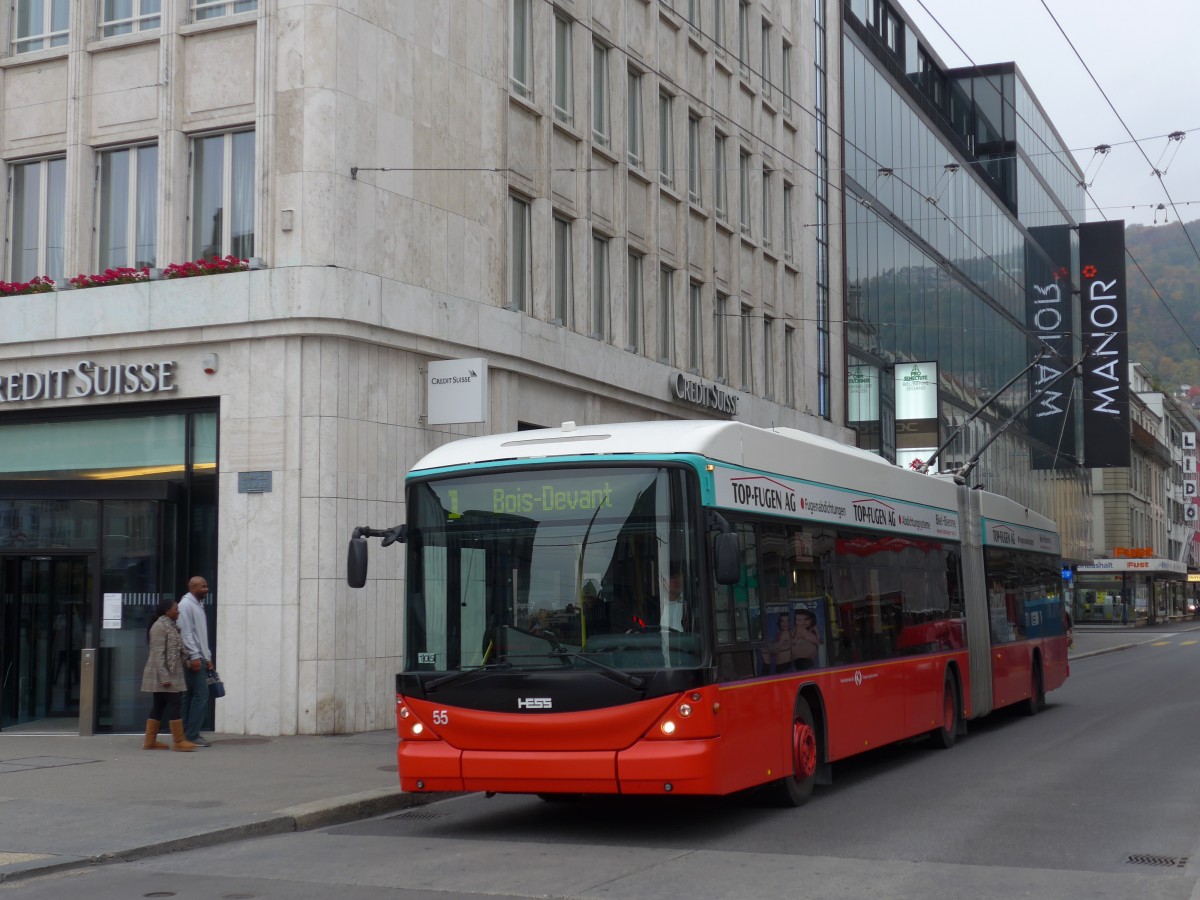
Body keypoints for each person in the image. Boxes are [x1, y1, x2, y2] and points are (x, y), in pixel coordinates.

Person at [140, 598, 197, 751]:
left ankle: (149, 741)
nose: (178, 611)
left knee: (159, 705)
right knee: (175, 703)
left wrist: (187, 662)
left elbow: (177, 649)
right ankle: (179, 741)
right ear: (167, 611)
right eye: (175, 609)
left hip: (168, 673)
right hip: (163, 674)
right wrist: (165, 677)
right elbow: (157, 654)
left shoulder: (171, 626)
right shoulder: (159, 627)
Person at [178, 576, 214, 747]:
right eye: (203, 586)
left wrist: (207, 657)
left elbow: (200, 634)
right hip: (194, 658)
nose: (206, 589)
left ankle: (185, 733)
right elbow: (186, 633)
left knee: (190, 695)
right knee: (201, 695)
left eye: (206, 586)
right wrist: (195, 656)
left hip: (199, 657)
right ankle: (191, 734)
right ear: (193, 588)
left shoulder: (197, 604)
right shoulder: (186, 605)